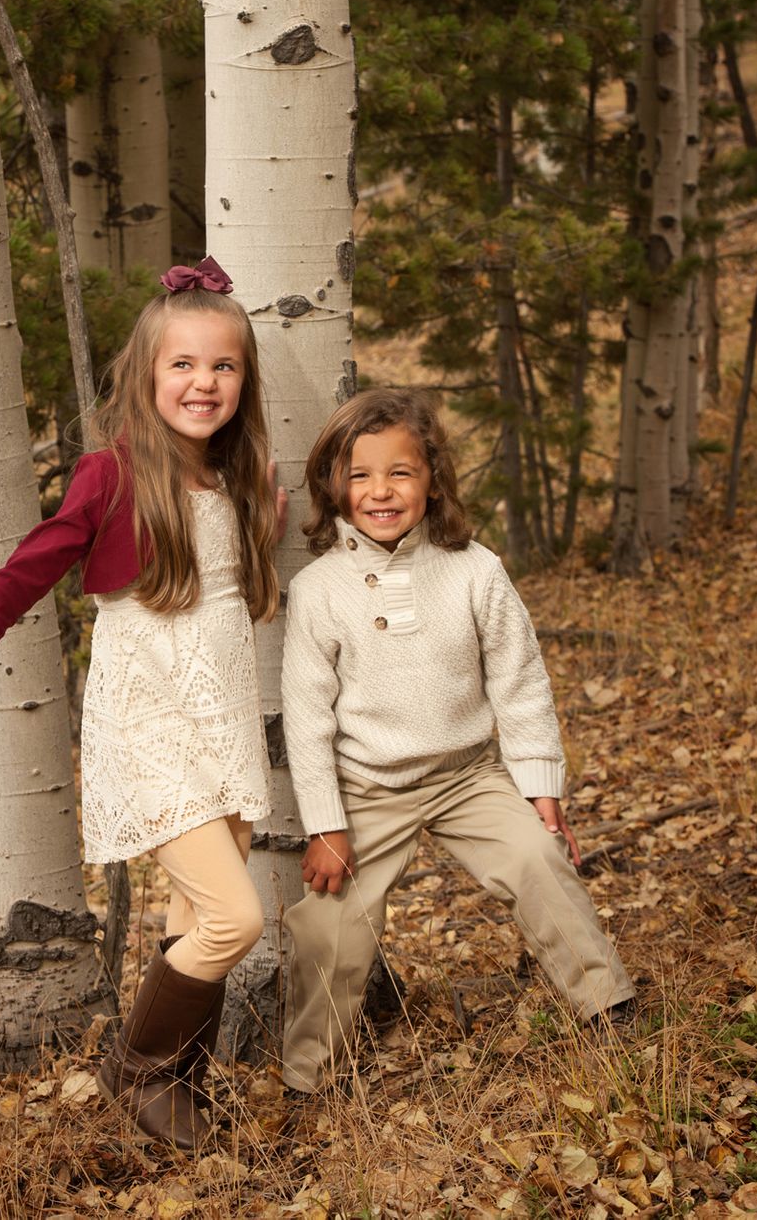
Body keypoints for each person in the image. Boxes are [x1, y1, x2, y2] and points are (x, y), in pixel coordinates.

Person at [0, 257, 285, 1150]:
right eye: (183, 363)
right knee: (239, 919)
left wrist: (265, 539)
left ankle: (175, 1091)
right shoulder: (111, 473)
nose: (203, 382)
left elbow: (235, 602)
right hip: (151, 721)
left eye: (224, 366)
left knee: (197, 919)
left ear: (244, 382)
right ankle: (134, 1069)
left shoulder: (238, 483)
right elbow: (38, 558)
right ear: (145, 373)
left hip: (223, 721)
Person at [279, 387, 634, 1096]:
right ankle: (307, 1077)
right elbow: (306, 716)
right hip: (367, 786)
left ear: (432, 478)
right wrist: (325, 824)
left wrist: (540, 785)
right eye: (360, 475)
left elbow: (520, 680)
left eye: (400, 472)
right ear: (334, 486)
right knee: (331, 928)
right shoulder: (318, 589)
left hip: (467, 772)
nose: (381, 491)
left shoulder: (476, 569)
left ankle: (607, 1006)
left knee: (539, 858)